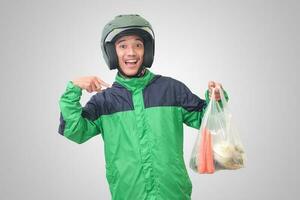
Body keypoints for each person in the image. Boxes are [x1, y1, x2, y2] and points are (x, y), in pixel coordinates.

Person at [58, 14, 227, 200]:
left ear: (146, 51)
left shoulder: (171, 90)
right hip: (129, 195)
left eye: (138, 45)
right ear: (112, 53)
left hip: (172, 194)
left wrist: (216, 100)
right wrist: (73, 90)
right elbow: (74, 130)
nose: (131, 53)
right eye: (122, 46)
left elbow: (210, 123)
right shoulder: (104, 102)